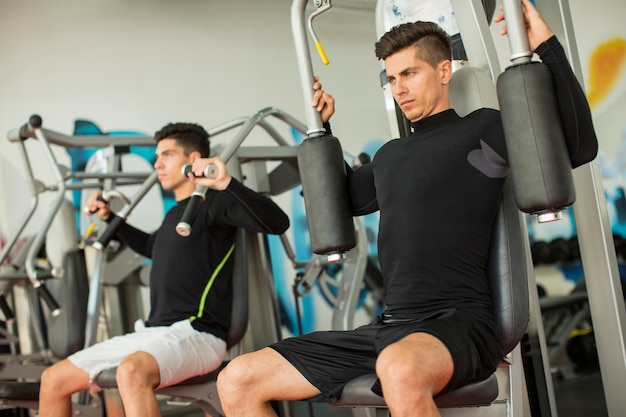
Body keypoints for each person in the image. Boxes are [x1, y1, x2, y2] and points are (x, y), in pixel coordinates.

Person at [215, 1, 598, 416]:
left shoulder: (484, 129)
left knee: (397, 368)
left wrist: (546, 46)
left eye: (410, 74)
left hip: (458, 324)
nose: (398, 89)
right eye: (392, 78)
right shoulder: (389, 156)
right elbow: (342, 201)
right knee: (237, 378)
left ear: (444, 71)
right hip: (390, 327)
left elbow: (577, 146)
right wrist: (323, 128)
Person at [38, 122, 290, 417]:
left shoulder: (215, 204)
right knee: (52, 379)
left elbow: (278, 223)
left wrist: (226, 183)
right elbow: (150, 247)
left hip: (197, 333)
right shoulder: (176, 213)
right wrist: (111, 219)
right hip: (153, 333)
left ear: (193, 160)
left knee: (131, 371)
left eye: (167, 155)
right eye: (157, 156)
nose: (157, 163)